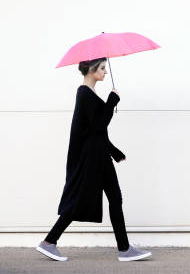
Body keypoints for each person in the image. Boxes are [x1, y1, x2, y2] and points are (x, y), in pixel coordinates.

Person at [36, 57, 151, 262]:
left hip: (99, 155)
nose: (106, 72)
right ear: (91, 70)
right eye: (102, 68)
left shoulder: (89, 93)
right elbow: (99, 126)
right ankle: (49, 242)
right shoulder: (84, 94)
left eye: (106, 68)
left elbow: (94, 132)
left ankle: (124, 249)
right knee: (82, 198)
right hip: (92, 159)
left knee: (114, 198)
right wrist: (112, 102)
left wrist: (113, 151)